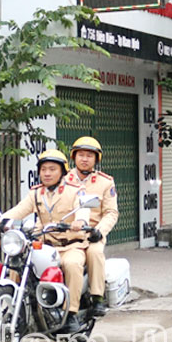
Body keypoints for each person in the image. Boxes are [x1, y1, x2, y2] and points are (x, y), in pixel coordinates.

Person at [0, 150, 91, 331]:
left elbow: (83, 209)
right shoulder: (36, 193)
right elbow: (20, 210)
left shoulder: (76, 191)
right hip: (44, 245)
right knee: (18, 263)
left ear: (62, 172)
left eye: (52, 169)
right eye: (43, 169)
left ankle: (72, 314)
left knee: (73, 264)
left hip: (70, 245)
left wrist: (80, 221)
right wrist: (2, 220)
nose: (47, 173)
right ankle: (16, 308)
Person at [65, 136, 118, 317]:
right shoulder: (63, 179)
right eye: (81, 155)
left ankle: (97, 297)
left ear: (96, 159)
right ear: (74, 157)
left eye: (89, 155)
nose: (85, 159)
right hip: (67, 233)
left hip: (92, 233)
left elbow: (111, 213)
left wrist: (100, 231)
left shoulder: (105, 182)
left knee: (94, 252)